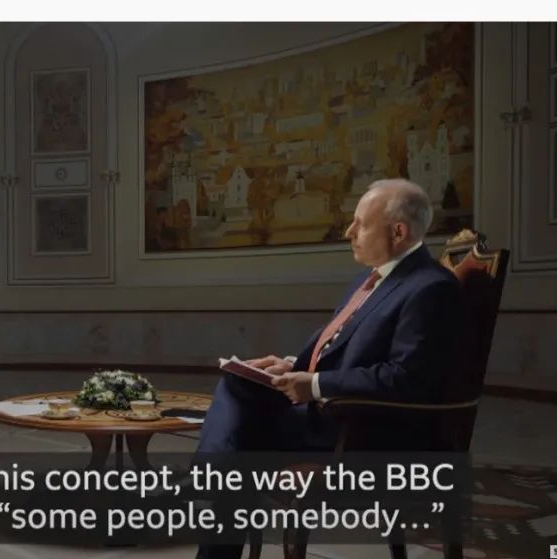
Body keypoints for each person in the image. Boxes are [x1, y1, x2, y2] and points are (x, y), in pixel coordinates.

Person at [194, 179, 464, 559]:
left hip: (364, 432)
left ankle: (205, 480)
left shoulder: (430, 288)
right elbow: (348, 350)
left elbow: (408, 379)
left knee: (240, 441)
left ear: (398, 232)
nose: (349, 232)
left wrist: (316, 384)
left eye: (360, 224)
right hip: (332, 414)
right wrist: (292, 364)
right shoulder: (374, 280)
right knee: (239, 385)